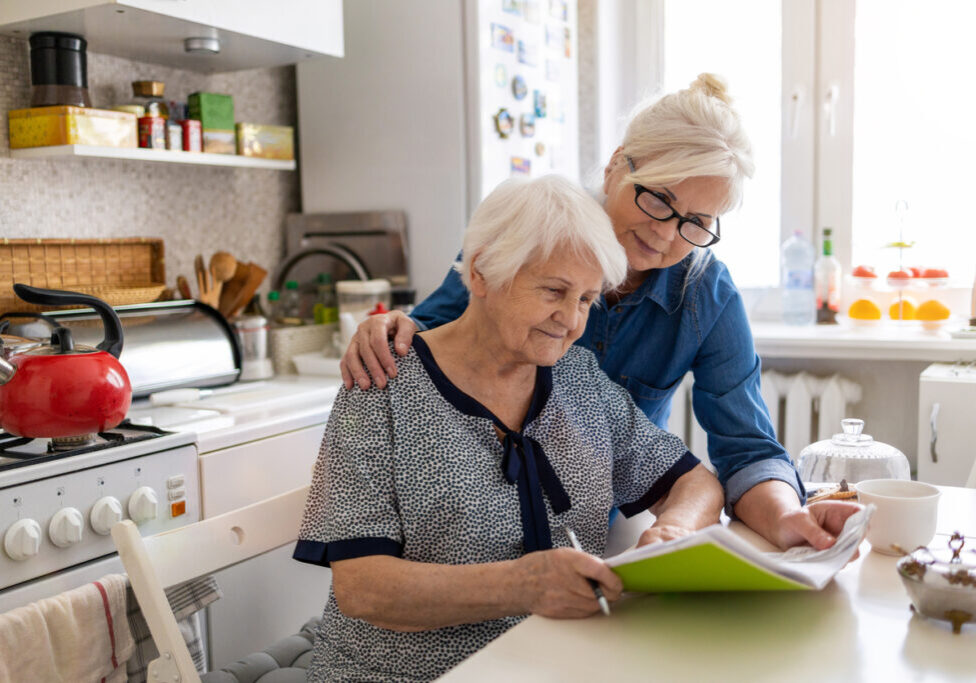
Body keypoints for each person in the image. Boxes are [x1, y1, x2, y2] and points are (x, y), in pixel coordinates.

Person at [340, 73, 861, 552]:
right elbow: (433, 339)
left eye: (696, 221)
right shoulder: (529, 234)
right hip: (470, 530)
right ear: (616, 166)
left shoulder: (706, 294)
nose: (664, 233)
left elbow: (747, 450)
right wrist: (389, 327)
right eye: (659, 198)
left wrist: (788, 517)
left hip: (598, 529)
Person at [294, 175, 724, 682]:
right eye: (553, 291)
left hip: (553, 665)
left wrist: (672, 531)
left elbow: (695, 482)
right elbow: (363, 588)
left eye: (587, 299)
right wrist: (522, 585)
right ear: (481, 273)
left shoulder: (578, 378)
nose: (569, 320)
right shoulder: (383, 383)